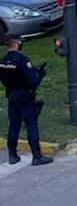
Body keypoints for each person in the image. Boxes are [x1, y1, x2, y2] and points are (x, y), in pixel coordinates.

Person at [1, 32, 51, 166]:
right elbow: (33, 81)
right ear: (17, 43)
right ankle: (37, 156)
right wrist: (40, 74)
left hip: (12, 96)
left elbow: (5, 80)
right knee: (31, 124)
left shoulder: (3, 61)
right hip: (26, 97)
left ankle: (12, 155)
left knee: (14, 125)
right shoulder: (22, 60)